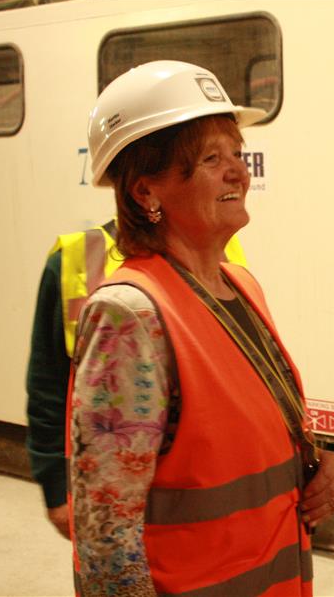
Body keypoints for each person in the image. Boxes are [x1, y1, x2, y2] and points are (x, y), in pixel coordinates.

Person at [67, 60, 334, 596]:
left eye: (238, 154)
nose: (239, 172)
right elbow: (107, 542)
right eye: (211, 159)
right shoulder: (131, 318)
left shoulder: (240, 286)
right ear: (145, 192)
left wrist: (319, 466)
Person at [26, 217, 246, 539]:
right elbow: (48, 383)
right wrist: (56, 488)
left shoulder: (225, 251)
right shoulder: (78, 259)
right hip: (120, 495)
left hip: (212, 485)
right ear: (143, 192)